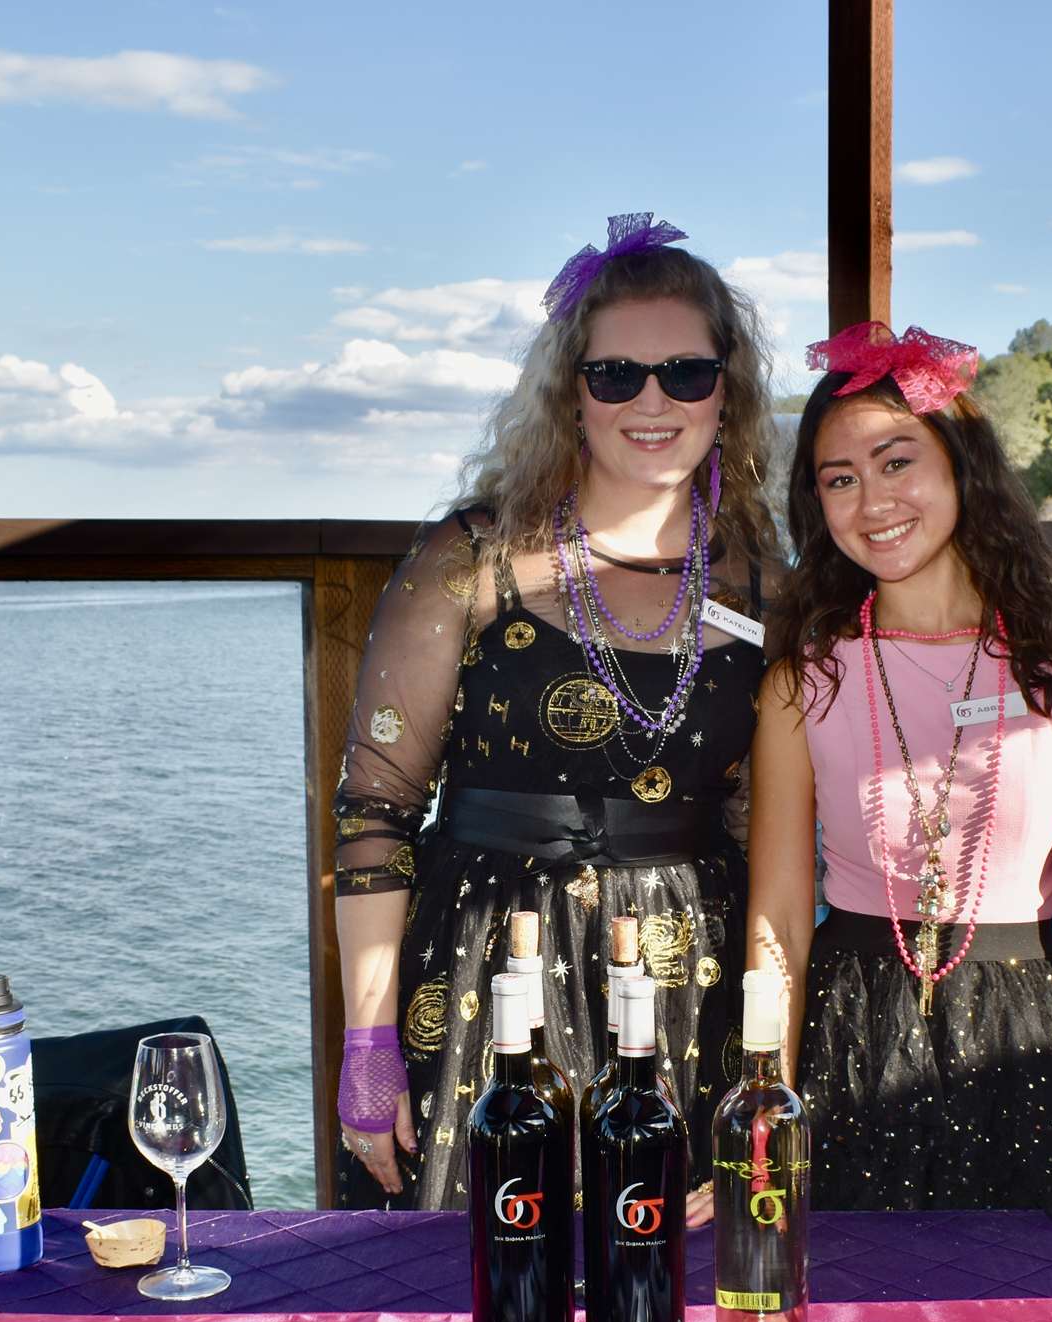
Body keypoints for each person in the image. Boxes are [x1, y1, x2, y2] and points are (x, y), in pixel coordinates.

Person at [331, 214, 779, 1209]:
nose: (651, 401)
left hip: (684, 989)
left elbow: (769, 834)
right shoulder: (472, 557)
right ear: (571, 392)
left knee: (663, 1306)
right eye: (617, 374)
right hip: (490, 969)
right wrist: (368, 1040)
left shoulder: (763, 585)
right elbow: (375, 811)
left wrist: (765, 1060)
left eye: (686, 373)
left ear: (728, 391)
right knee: (479, 1299)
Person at [740, 321, 1052, 1215]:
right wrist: (764, 1105)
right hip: (850, 1041)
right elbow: (778, 919)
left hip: (1033, 1045)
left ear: (961, 466)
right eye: (839, 479)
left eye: (898, 463)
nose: (872, 500)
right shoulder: (802, 680)